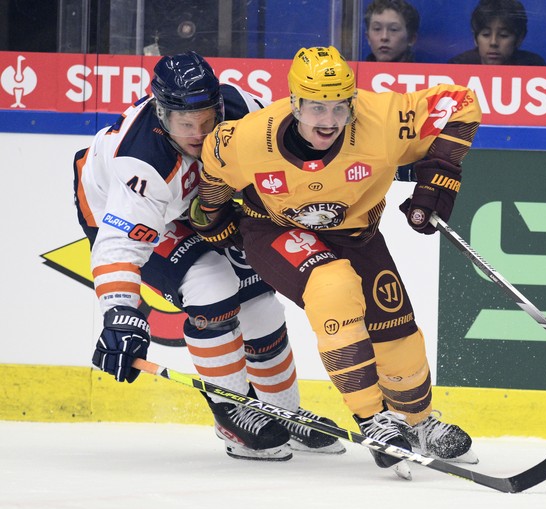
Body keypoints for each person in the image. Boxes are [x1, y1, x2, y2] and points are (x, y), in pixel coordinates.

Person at [197, 46, 482, 475]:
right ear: (294, 102)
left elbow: (461, 103)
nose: (328, 121)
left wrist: (439, 175)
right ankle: (374, 420)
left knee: (396, 335)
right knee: (332, 285)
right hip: (274, 230)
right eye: (315, 108)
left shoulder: (382, 120)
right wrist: (213, 222)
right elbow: (213, 174)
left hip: (355, 234)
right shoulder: (248, 138)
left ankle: (416, 422)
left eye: (339, 107)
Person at [74, 51, 344, 462]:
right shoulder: (142, 164)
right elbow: (118, 247)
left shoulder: (242, 109)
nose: (200, 133)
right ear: (161, 115)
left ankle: (282, 413)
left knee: (260, 302)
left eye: (206, 118)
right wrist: (119, 313)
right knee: (211, 285)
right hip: (127, 213)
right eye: (186, 123)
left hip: (197, 206)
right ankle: (233, 417)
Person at [448, 0, 546, 66]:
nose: (493, 42)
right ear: (475, 38)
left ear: (520, 38)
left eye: (503, 35)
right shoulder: (459, 66)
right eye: (486, 34)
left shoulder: (533, 67)